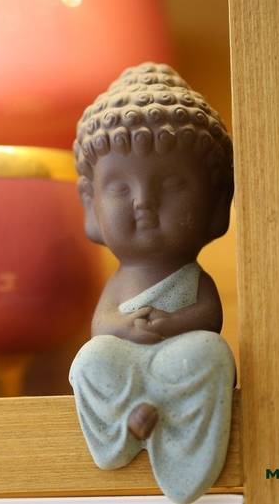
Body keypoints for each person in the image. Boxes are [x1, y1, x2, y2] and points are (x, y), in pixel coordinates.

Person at [68, 62, 236, 504]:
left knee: (210, 352)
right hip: (124, 363)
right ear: (90, 204)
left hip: (180, 359)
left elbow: (209, 316)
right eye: (120, 189)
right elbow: (102, 326)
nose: (144, 202)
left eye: (173, 183)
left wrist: (171, 323)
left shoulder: (195, 279)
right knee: (90, 359)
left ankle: (171, 435)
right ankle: (128, 427)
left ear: (218, 202)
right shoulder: (117, 283)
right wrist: (124, 328)